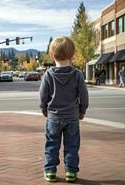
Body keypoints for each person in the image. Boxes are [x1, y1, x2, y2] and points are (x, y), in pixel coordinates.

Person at [39, 37, 89, 183]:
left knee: (52, 144)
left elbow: (42, 95)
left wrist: (43, 109)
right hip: (72, 117)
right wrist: (82, 110)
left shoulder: (48, 74)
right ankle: (71, 172)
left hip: (53, 117)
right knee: (72, 145)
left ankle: (50, 172)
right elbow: (84, 95)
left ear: (52, 55)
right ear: (72, 54)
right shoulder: (77, 74)